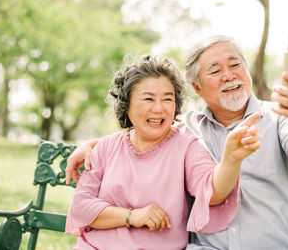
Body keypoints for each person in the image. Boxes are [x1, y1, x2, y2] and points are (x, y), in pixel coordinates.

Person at [66, 35, 288, 249]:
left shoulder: (280, 117)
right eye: (215, 70)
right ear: (198, 88)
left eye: (235, 65)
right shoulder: (187, 128)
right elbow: (145, 134)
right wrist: (93, 145)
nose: (228, 75)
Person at [65, 54, 261, 250]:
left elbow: (212, 192)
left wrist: (231, 159)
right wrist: (132, 216)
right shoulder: (106, 147)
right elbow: (81, 207)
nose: (159, 109)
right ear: (127, 104)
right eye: (148, 99)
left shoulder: (186, 146)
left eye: (167, 99)